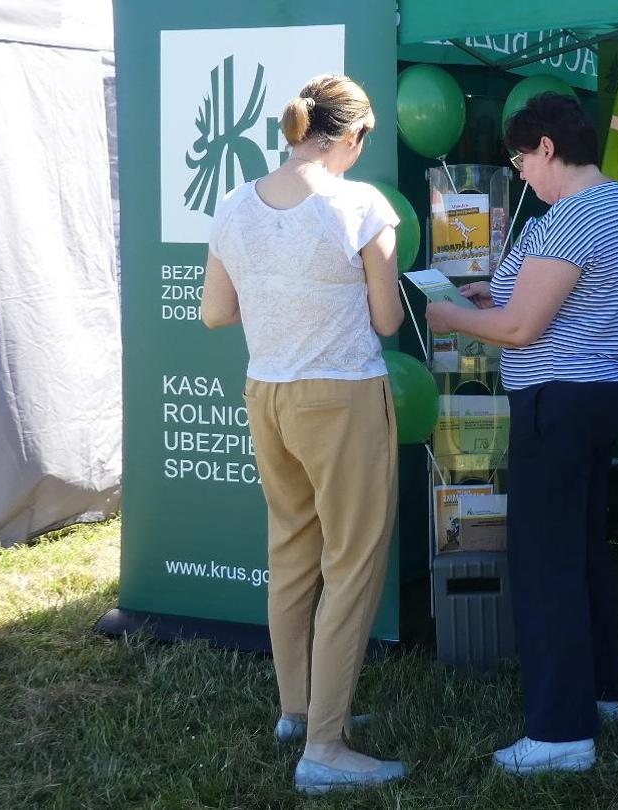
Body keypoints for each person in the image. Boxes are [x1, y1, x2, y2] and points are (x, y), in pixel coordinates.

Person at [424, 91, 618, 775]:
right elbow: (541, 302)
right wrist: (496, 300)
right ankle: (599, 694)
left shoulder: (573, 218)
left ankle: (559, 735)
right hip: (603, 393)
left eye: (522, 159)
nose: (520, 172)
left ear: (547, 148)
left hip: (559, 403)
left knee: (546, 565)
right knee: (582, 551)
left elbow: (523, 329)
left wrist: (451, 317)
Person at [199, 74, 406, 792]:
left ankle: (299, 711)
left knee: (292, 551)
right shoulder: (361, 205)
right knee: (352, 564)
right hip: (343, 393)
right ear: (349, 137)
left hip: (268, 392)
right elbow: (387, 321)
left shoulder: (232, 205)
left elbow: (214, 312)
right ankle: (324, 747)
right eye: (362, 142)